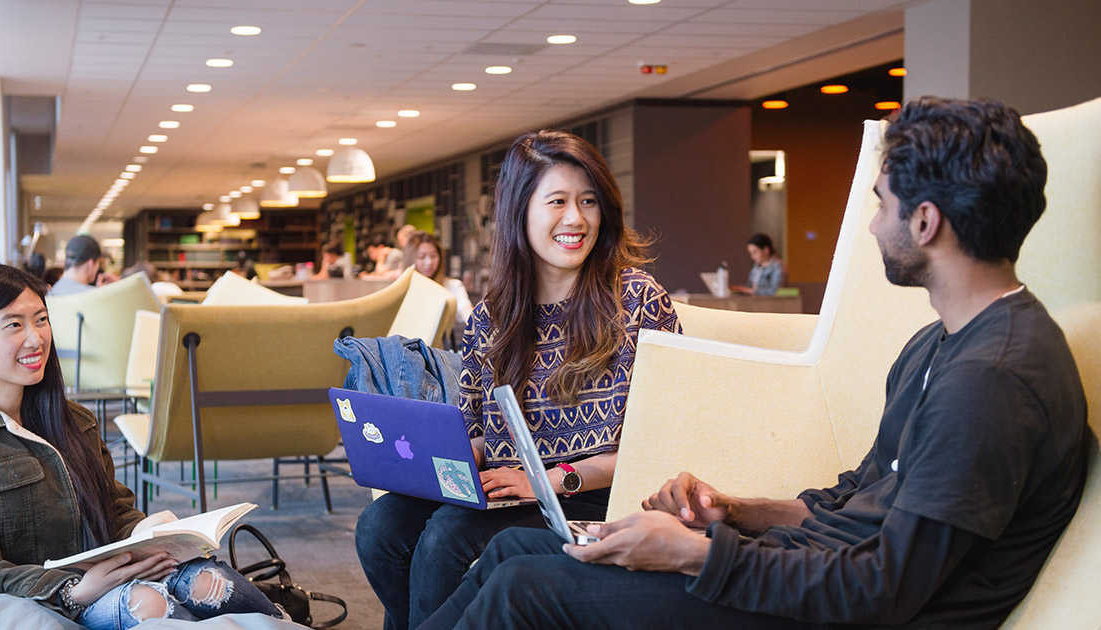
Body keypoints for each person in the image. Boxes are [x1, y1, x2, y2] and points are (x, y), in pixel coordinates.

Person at [419, 97, 1087, 630]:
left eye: (879, 204)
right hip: (809, 569)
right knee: (511, 551)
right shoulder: (940, 343)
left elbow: (882, 591)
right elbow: (850, 503)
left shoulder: (991, 381)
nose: (870, 225)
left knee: (527, 586)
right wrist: (728, 511)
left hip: (839, 609)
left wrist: (695, 554)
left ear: (924, 224)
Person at [356, 129, 683, 630]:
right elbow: (479, 428)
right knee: (380, 527)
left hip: (593, 491)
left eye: (588, 202)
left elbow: (662, 442)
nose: (576, 218)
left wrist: (545, 479)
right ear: (520, 212)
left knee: (447, 536)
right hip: (510, 487)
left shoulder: (638, 301)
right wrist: (447, 459)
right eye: (557, 201)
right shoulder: (493, 315)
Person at [0, 262, 287, 628]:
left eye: (41, 320)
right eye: (14, 324)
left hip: (120, 570)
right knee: (146, 603)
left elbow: (116, 509)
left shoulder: (75, 419)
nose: (36, 338)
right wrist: (74, 589)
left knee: (205, 581)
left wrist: (150, 539)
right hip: (56, 600)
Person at [402, 231, 474, 327]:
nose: (429, 262)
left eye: (433, 256)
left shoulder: (453, 286)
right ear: (410, 259)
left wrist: (476, 324)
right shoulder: (403, 289)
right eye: (421, 257)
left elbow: (467, 311)